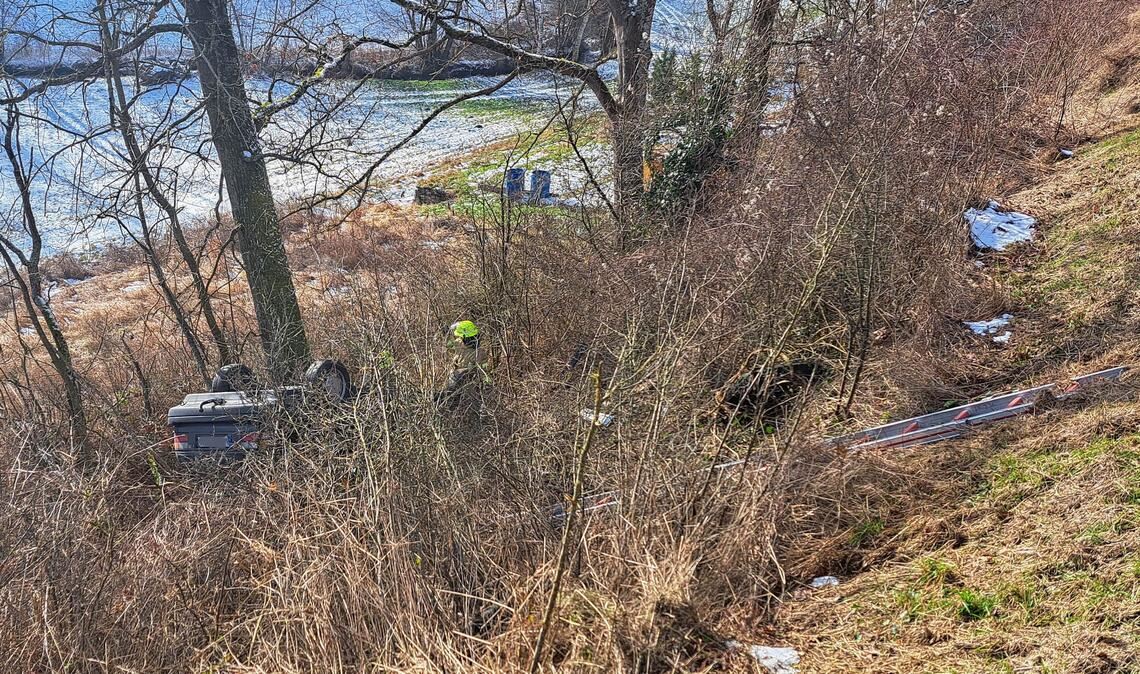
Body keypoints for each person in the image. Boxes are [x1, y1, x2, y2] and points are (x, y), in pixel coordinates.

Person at [439, 319, 490, 405]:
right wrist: (446, 334)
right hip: (454, 381)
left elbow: (484, 373)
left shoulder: (480, 353)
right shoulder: (459, 343)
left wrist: (487, 387)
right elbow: (450, 346)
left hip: (469, 387)